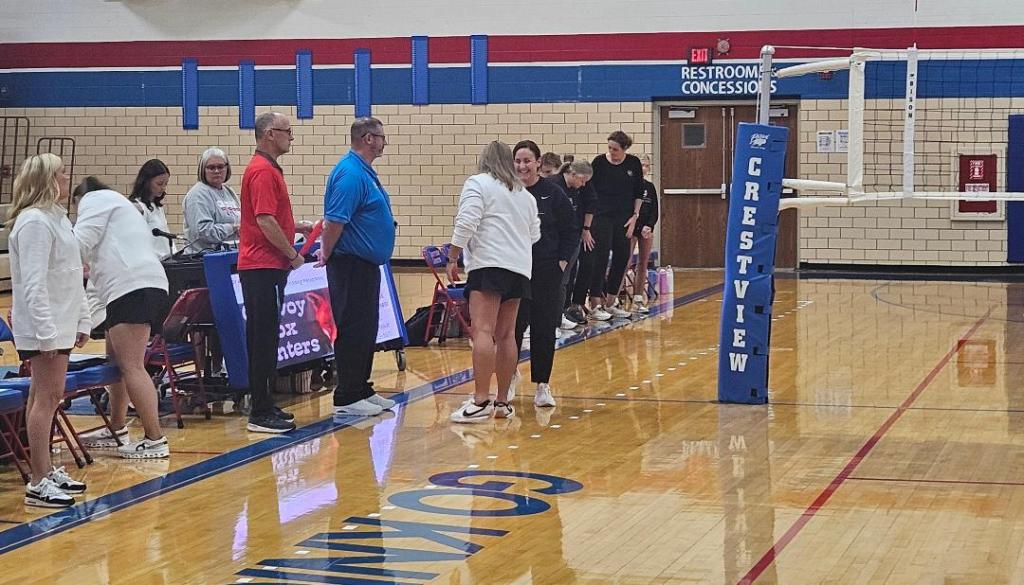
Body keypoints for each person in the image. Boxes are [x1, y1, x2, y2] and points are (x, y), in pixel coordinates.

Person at [8, 154, 90, 507]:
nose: (66, 177)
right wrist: (45, 333)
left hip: (61, 321)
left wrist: (82, 319)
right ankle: (38, 480)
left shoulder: (57, 219)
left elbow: (73, 274)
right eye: (60, 173)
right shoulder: (33, 223)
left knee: (44, 398)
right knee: (47, 399)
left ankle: (44, 470)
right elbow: (33, 284)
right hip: (45, 326)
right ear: (45, 179)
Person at [73, 175, 171, 459]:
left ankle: (155, 438)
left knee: (132, 367)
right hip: (142, 285)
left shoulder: (93, 200)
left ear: (81, 198)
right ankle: (116, 427)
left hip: (131, 288)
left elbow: (78, 244)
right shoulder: (123, 206)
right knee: (116, 362)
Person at [447, 141, 540, 423]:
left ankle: (480, 401)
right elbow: (534, 234)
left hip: (489, 266)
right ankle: (502, 401)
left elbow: (466, 222)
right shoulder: (525, 195)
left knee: (483, 332)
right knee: (507, 334)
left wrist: (453, 256)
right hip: (520, 269)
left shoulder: (478, 183)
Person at [318, 117, 397, 417]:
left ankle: (361, 387)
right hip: (349, 263)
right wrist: (326, 252)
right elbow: (336, 219)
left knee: (366, 328)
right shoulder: (350, 174)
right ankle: (347, 395)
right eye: (381, 136)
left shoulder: (365, 172)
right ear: (367, 139)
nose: (384, 142)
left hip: (365, 265)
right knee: (353, 327)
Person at [237, 111, 306, 434]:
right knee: (262, 338)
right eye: (286, 131)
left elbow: (269, 216)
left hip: (266, 265)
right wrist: (292, 254)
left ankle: (264, 402)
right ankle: (259, 411)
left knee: (267, 337)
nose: (291, 137)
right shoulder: (263, 171)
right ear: (269, 134)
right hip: (262, 265)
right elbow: (264, 220)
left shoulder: (267, 170)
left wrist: (296, 226)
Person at [511, 140, 577, 408]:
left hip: (547, 269)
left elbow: (570, 231)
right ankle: (508, 377)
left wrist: (562, 261)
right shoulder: (508, 192)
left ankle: (542, 384)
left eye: (527, 160)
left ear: (538, 163)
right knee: (511, 328)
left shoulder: (553, 193)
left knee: (543, 327)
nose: (522, 166)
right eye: (517, 161)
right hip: (514, 270)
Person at [586, 130, 645, 320]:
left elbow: (638, 192)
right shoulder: (599, 163)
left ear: (625, 148)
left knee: (622, 257)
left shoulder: (633, 163)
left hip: (624, 218)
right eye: (609, 148)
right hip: (601, 216)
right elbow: (590, 190)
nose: (612, 152)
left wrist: (635, 216)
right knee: (601, 257)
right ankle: (595, 303)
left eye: (616, 149)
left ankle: (611, 301)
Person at [550, 159, 596, 326]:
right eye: (582, 181)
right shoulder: (554, 186)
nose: (583, 185)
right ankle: (551, 320)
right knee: (555, 281)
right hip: (555, 243)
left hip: (571, 240)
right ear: (574, 174)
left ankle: (560, 315)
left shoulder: (575, 190)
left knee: (565, 280)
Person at [183, 147, 241, 253]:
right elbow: (202, 231)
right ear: (203, 170)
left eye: (220, 166)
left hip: (230, 257)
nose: (217, 171)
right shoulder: (198, 194)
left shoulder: (229, 192)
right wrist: (231, 228)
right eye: (211, 167)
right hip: (203, 260)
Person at [628, 155, 660, 313]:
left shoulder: (650, 187)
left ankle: (638, 298)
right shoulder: (629, 185)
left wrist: (649, 226)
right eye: (641, 165)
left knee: (643, 263)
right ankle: (614, 301)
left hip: (646, 230)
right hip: (631, 228)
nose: (644, 168)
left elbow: (654, 211)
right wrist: (637, 226)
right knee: (625, 263)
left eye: (647, 165)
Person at [129, 159, 176, 260]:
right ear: (146, 182)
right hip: (151, 264)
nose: (163, 188)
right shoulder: (137, 207)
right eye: (159, 184)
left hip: (166, 261)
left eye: (166, 184)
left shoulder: (157, 207)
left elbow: (163, 238)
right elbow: (136, 242)